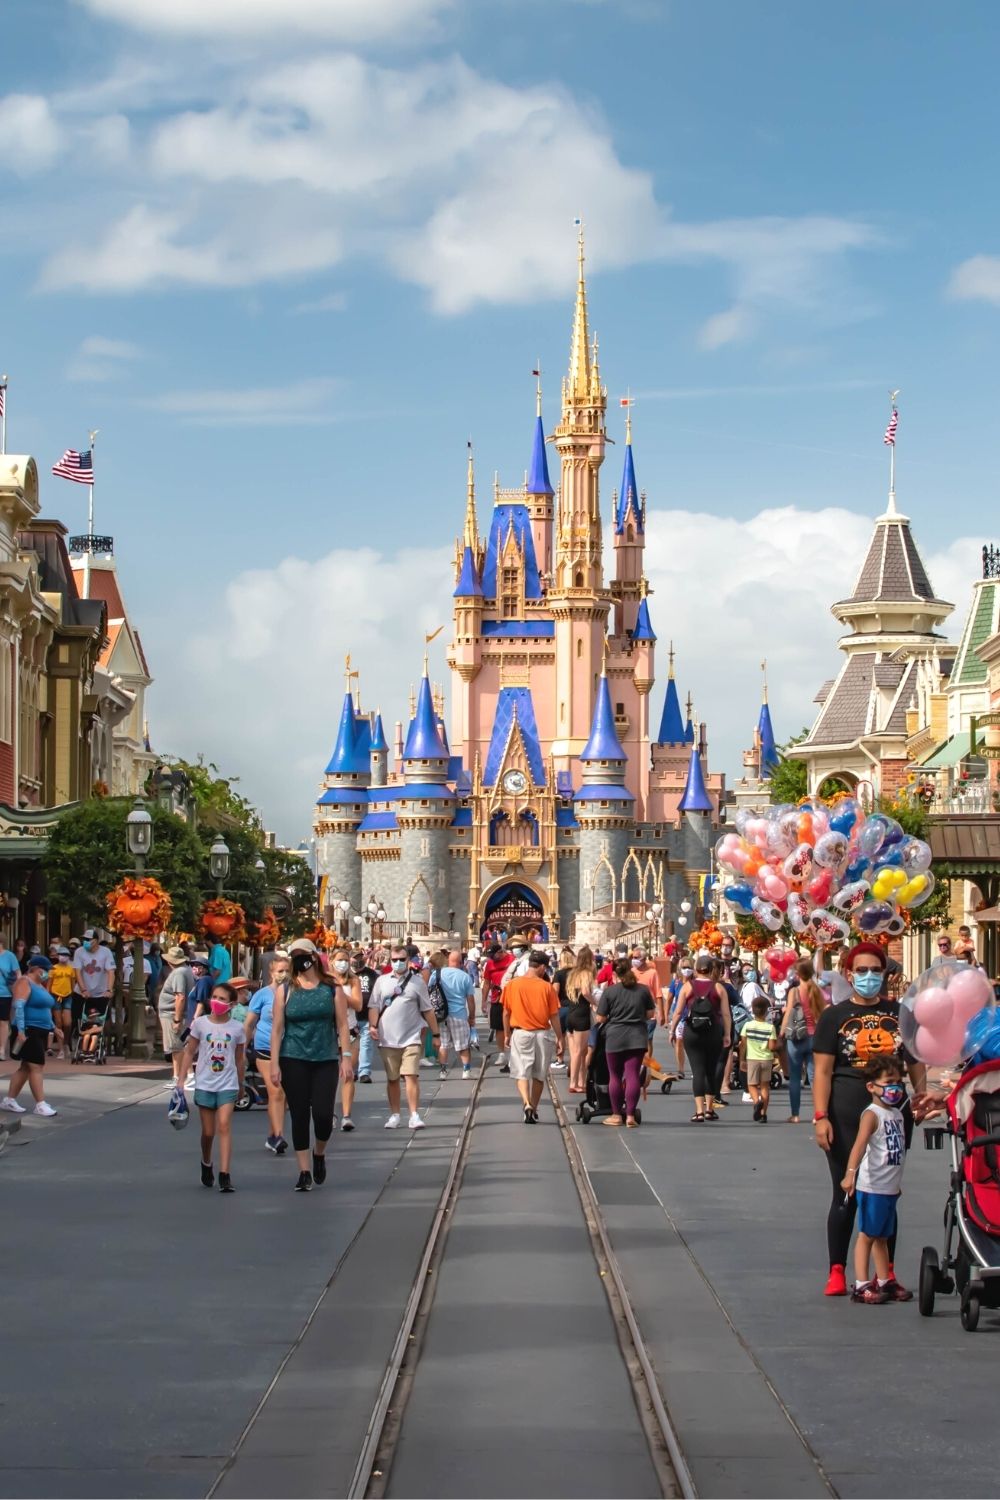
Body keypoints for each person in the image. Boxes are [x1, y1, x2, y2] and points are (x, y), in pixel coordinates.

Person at [812, 942, 925, 1300]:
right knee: (845, 1192)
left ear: (885, 973)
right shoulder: (834, 1016)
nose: (868, 977)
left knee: (886, 1194)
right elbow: (823, 1071)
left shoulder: (900, 1013)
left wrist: (919, 1097)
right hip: (846, 1115)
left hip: (893, 1115)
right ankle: (838, 1269)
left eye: (875, 970)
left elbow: (915, 1061)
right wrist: (820, 1116)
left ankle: (885, 1272)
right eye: (861, 971)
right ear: (848, 974)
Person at [270, 938, 353, 1190]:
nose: (299, 960)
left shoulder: (331, 988)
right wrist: (274, 1064)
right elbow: (276, 1029)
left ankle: (319, 1153)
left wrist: (346, 1057)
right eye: (294, 955)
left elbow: (342, 1024)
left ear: (314, 956)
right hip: (293, 1056)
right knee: (299, 1115)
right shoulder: (285, 989)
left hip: (325, 1057)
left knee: (323, 1115)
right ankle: (304, 1171)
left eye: (302, 954)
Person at [841, 1058, 911, 1303]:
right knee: (867, 1235)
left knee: (882, 1236)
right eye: (889, 1082)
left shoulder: (897, 1114)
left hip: (889, 1187)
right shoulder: (872, 1115)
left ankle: (884, 1280)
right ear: (871, 1086)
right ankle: (861, 1285)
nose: (896, 1088)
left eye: (899, 1083)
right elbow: (859, 1146)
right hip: (872, 1187)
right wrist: (850, 1174)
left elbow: (894, 1152)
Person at [173, 981, 246, 1193]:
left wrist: (240, 1083)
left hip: (228, 1083)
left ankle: (225, 1174)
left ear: (232, 1004)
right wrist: (181, 1079)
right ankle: (206, 1162)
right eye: (214, 997)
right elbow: (190, 1051)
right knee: (208, 1131)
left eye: (222, 999)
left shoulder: (237, 1028)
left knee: (224, 1125)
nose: (217, 1002)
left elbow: (239, 1058)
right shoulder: (201, 1024)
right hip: (205, 1082)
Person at [368, 944, 443, 1131]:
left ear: (408, 961)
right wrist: (373, 1025)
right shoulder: (382, 981)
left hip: (411, 1037)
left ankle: (414, 1115)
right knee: (393, 1078)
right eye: (395, 960)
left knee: (410, 1075)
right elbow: (374, 1006)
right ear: (390, 961)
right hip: (388, 1038)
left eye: (402, 959)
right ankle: (395, 1114)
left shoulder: (417, 982)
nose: (398, 963)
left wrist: (436, 1034)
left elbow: (428, 1010)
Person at [502, 950, 563, 1124]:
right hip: (542, 1034)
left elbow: (506, 1013)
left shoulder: (513, 985)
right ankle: (534, 1108)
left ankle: (526, 1103)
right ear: (542, 967)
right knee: (539, 1074)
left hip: (520, 1033)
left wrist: (507, 1034)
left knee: (522, 1072)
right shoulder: (547, 988)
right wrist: (560, 1038)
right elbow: (554, 1016)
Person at [596, 957, 655, 1128]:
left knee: (614, 1076)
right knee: (632, 1075)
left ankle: (616, 1114)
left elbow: (601, 1017)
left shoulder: (610, 991)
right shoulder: (642, 990)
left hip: (615, 1037)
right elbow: (650, 1014)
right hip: (637, 1036)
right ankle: (630, 1115)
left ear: (615, 973)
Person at [0, 956, 62, 1117]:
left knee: (26, 1067)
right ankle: (40, 1104)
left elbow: (46, 1010)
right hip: (29, 1028)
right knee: (36, 1066)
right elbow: (19, 1006)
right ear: (35, 968)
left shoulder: (40, 986)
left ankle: (9, 1099)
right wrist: (21, 1031)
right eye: (45, 970)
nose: (47, 973)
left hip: (40, 1029)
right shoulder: (24, 982)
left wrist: (54, 1028)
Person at [674, 951, 731, 1122]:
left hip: (693, 1032)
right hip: (713, 1031)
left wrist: (673, 1030)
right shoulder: (719, 987)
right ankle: (709, 1109)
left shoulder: (688, 986)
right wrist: (727, 1034)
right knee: (710, 1071)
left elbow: (678, 1012)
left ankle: (699, 1111)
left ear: (696, 969)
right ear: (712, 969)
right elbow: (726, 1014)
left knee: (697, 1071)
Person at [246, 952, 289, 1153]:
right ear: (272, 973)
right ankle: (279, 1135)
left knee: (284, 1095)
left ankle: (272, 1135)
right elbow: (249, 1024)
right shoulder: (262, 995)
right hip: (264, 1047)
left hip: (288, 1048)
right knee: (275, 1091)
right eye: (280, 971)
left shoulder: (295, 993)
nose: (284, 974)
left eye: (287, 971)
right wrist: (241, 1049)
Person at [780, 958, 828, 1123]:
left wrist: (781, 1032)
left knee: (794, 1077)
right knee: (815, 1077)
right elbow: (822, 1013)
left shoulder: (794, 991)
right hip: (814, 1036)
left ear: (798, 973)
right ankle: (818, 1113)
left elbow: (788, 1014)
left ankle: (795, 1114)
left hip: (796, 1037)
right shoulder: (816, 990)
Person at [327, 946, 363, 1131]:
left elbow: (358, 1004)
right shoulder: (325, 980)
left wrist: (340, 994)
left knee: (348, 1073)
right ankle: (330, 1112)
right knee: (330, 1075)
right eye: (339, 959)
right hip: (330, 1031)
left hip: (350, 1030)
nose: (342, 963)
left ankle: (347, 1115)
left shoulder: (353, 980)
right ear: (331, 960)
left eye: (345, 960)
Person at [437, 949, 476, 1081]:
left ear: (449, 961)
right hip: (459, 1015)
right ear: (460, 962)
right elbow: (470, 999)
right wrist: (472, 1017)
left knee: (443, 1044)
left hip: (441, 1014)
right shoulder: (464, 977)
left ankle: (442, 1071)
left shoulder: (437, 974)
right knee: (463, 1045)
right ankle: (466, 1070)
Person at [158, 946, 195, 1085]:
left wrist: (177, 1019)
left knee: (176, 1046)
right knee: (177, 1046)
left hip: (172, 1013)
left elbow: (180, 996)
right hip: (173, 1013)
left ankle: (182, 1076)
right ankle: (181, 1076)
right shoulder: (185, 971)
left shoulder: (179, 973)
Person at [564, 945, 597, 1094]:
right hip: (581, 1015)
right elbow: (585, 991)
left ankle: (581, 1081)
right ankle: (574, 1083)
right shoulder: (586, 974)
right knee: (579, 1051)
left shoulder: (572, 974)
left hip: (571, 1013)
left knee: (580, 1051)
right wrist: (595, 1002)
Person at [740, 996, 778, 1123]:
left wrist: (742, 1060)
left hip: (752, 1059)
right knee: (765, 1087)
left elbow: (743, 1045)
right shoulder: (770, 1027)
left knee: (751, 1085)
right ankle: (763, 1114)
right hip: (767, 1059)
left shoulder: (747, 1025)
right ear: (766, 1011)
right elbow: (772, 1047)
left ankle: (757, 1102)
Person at [72, 929, 115, 1039]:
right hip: (83, 992)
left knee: (103, 1019)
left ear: (95, 941)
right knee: (79, 1018)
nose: (85, 942)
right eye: (84, 940)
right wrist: (83, 989)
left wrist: (109, 989)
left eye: (88, 940)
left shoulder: (105, 952)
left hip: (101, 992)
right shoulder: (79, 952)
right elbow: (78, 972)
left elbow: (110, 972)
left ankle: (103, 1041)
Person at [351, 949, 381, 1083]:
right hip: (350, 1017)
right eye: (354, 958)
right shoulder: (346, 975)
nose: (357, 961)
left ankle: (364, 1072)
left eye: (360, 958)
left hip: (366, 1015)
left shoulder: (371, 974)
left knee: (366, 1044)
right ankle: (352, 1070)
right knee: (351, 1046)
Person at [482, 943, 514, 1069]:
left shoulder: (512, 960)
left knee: (513, 1025)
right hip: (496, 998)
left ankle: (513, 1052)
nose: (492, 958)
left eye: (493, 955)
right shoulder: (490, 963)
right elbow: (486, 983)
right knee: (498, 1027)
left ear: (501, 952)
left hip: (511, 997)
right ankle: (502, 1053)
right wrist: (484, 1000)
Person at [631, 948, 666, 1042]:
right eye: (632, 957)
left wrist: (661, 1014)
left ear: (643, 958)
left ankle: (648, 1057)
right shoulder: (631, 973)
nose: (633, 959)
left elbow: (658, 994)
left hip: (649, 1014)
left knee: (647, 1040)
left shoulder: (652, 973)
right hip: (633, 1013)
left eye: (636, 957)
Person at [666, 956, 692, 1079]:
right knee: (679, 1041)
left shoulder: (695, 982)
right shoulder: (676, 983)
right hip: (679, 1016)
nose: (686, 970)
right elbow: (669, 999)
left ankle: (694, 1067)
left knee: (692, 1044)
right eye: (684, 967)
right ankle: (681, 1069)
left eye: (689, 967)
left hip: (692, 1016)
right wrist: (666, 1015)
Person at [0, 932, 24, 1062]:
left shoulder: (10, 956)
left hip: (4, 993)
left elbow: (18, 973)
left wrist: (19, 989)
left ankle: (2, 1049)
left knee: (3, 1021)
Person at [49, 947, 76, 1060]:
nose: (63, 956)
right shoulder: (53, 969)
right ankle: (61, 1049)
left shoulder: (71, 969)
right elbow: (50, 984)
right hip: (55, 996)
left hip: (67, 996)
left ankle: (66, 1043)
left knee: (68, 1023)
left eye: (65, 954)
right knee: (58, 1022)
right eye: (61, 954)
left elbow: (73, 983)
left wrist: (72, 992)